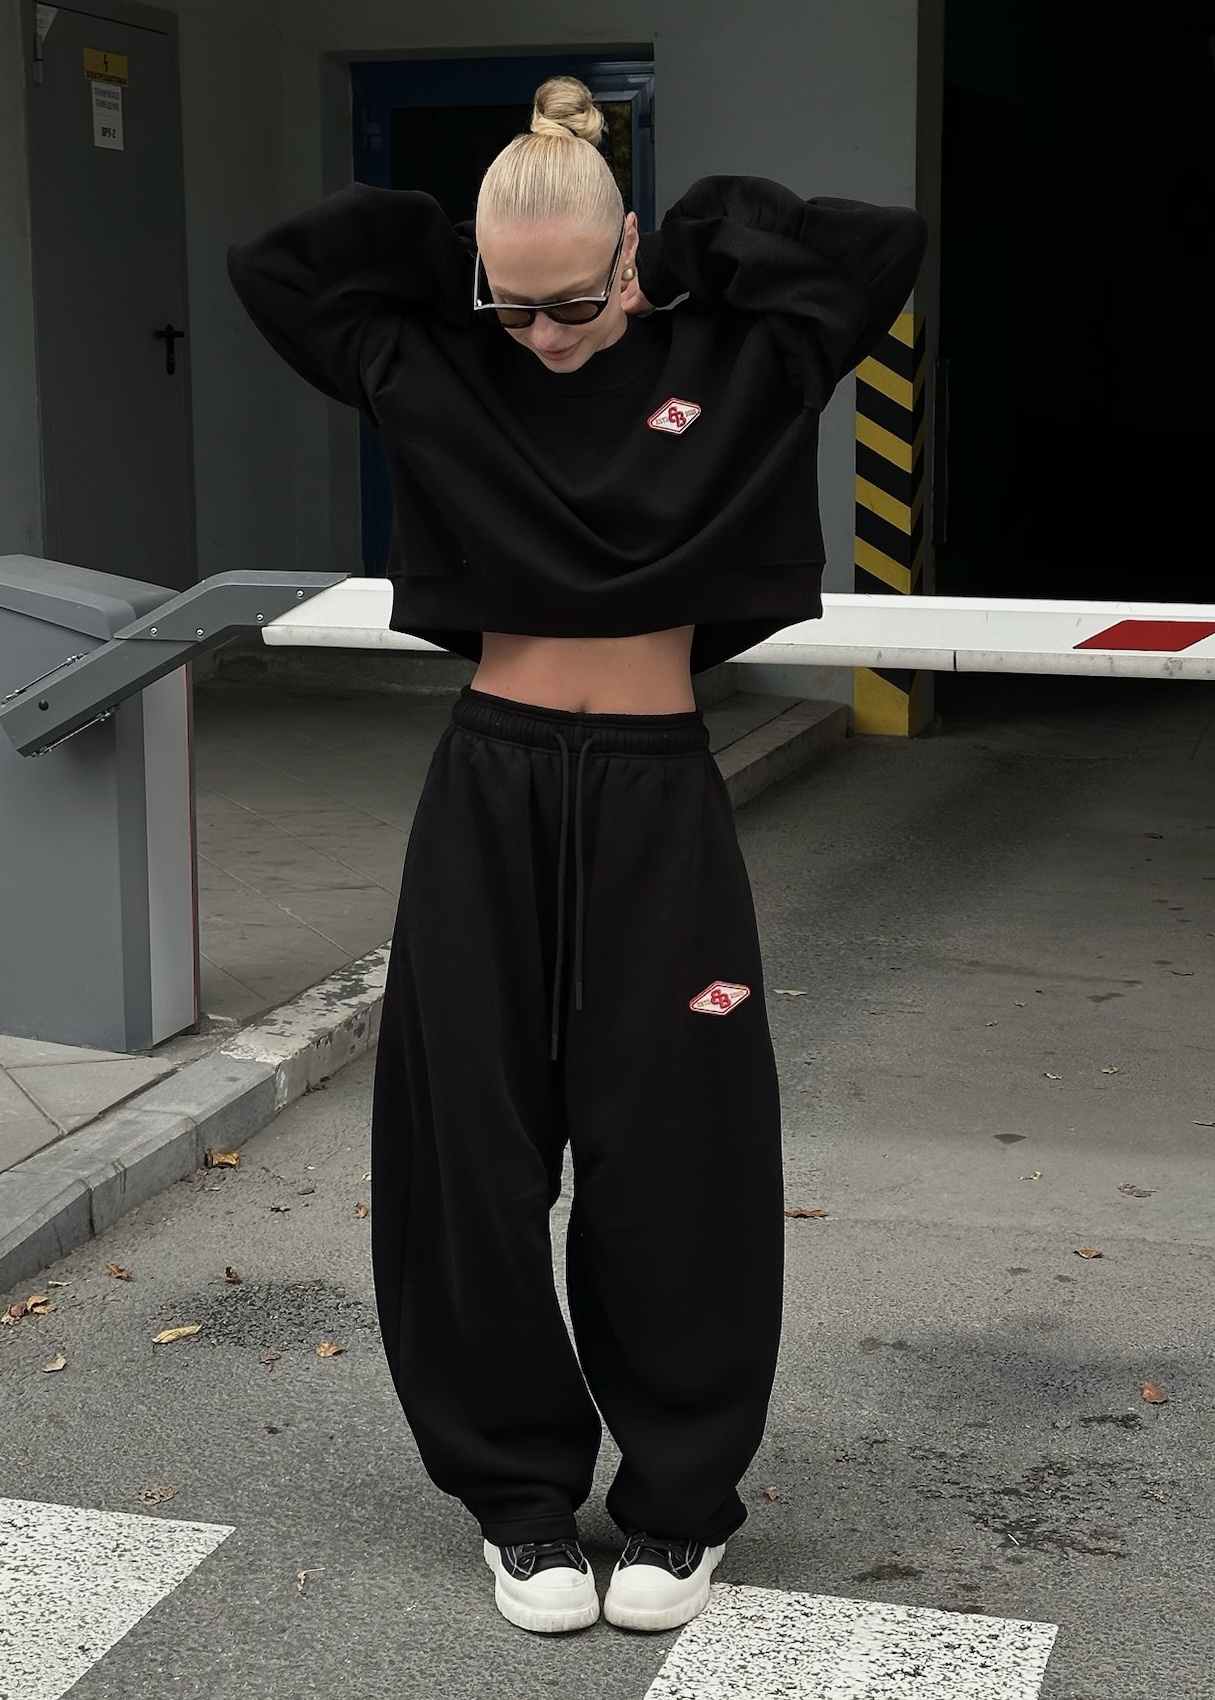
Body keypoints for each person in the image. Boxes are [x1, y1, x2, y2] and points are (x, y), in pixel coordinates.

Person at [227, 73, 927, 1637]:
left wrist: (681, 249)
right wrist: (461, 261)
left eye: (573, 301)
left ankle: (678, 1503)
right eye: (513, 304)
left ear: (628, 259)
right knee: (466, 1154)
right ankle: (521, 1501)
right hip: (489, 786)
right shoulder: (438, 360)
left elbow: (878, 242)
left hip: (660, 797)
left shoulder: (734, 359)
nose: (541, 337)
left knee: (678, 1150)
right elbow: (280, 266)